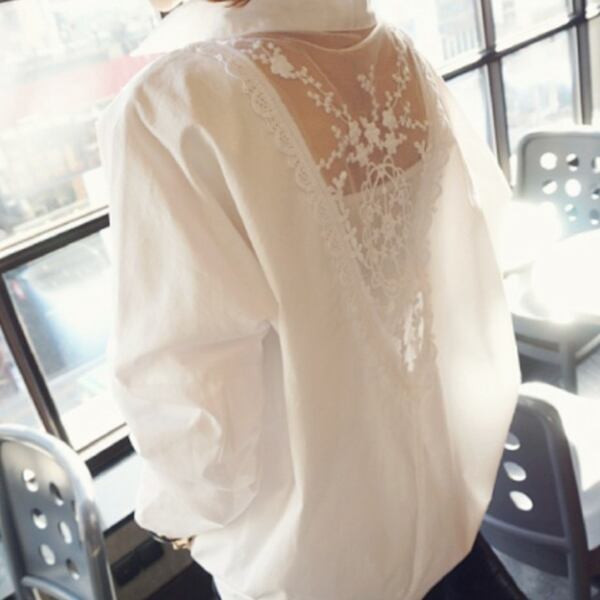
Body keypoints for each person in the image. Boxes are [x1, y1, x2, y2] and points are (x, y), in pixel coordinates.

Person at [96, 0, 523, 598]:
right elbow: (481, 240)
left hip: (311, 559)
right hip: (442, 519)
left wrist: (185, 521)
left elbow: (185, 394)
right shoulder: (401, 58)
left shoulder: (174, 106)